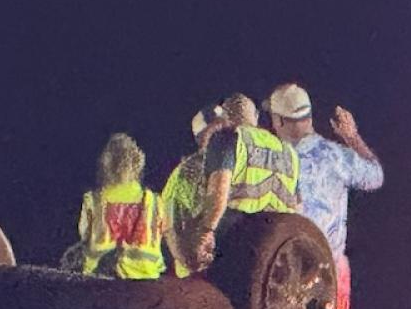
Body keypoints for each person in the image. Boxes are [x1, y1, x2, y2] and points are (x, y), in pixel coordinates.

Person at [266, 83, 383, 309]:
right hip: (329, 275)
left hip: (282, 276)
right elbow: (375, 176)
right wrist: (352, 137)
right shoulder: (336, 156)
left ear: (280, 121)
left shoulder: (273, 159)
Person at [193, 93, 301, 271]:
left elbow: (219, 191)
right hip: (279, 245)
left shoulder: (227, 138)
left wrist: (206, 231)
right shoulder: (289, 152)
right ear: (256, 116)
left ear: (225, 117)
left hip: (238, 239)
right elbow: (297, 206)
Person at [76, 133, 167, 279]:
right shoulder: (155, 201)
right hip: (145, 278)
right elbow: (161, 235)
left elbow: (84, 235)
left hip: (100, 278)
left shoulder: (93, 199)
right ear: (137, 163)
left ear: (106, 164)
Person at [161, 105, 225, 278]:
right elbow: (171, 223)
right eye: (216, 130)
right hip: (199, 276)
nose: (223, 136)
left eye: (226, 129)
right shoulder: (187, 172)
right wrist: (190, 264)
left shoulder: (232, 164)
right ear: (201, 138)